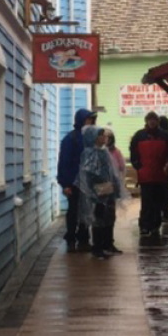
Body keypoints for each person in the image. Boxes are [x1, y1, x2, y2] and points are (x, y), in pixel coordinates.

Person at [130, 111, 168, 237]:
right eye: (150, 119)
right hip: (145, 175)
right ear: (146, 121)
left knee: (157, 202)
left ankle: (155, 226)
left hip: (160, 175)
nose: (152, 122)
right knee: (146, 202)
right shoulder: (139, 136)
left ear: (157, 121)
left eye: (154, 119)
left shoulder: (165, 136)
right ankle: (145, 226)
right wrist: (138, 166)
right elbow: (133, 152)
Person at [76, 125, 120, 259]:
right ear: (94, 137)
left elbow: (112, 172)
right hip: (97, 190)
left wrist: (115, 186)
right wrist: (93, 192)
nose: (104, 137)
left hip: (107, 189)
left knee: (109, 218)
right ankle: (97, 247)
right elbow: (88, 174)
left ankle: (107, 244)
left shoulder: (104, 151)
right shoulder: (89, 153)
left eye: (104, 135)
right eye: (101, 135)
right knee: (98, 219)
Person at [57, 108, 96, 252]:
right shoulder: (71, 139)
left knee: (86, 210)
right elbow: (64, 162)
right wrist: (65, 183)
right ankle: (71, 236)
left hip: (88, 182)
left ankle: (84, 236)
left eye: (91, 120)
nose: (90, 122)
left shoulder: (91, 138)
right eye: (88, 119)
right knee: (73, 210)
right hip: (74, 182)